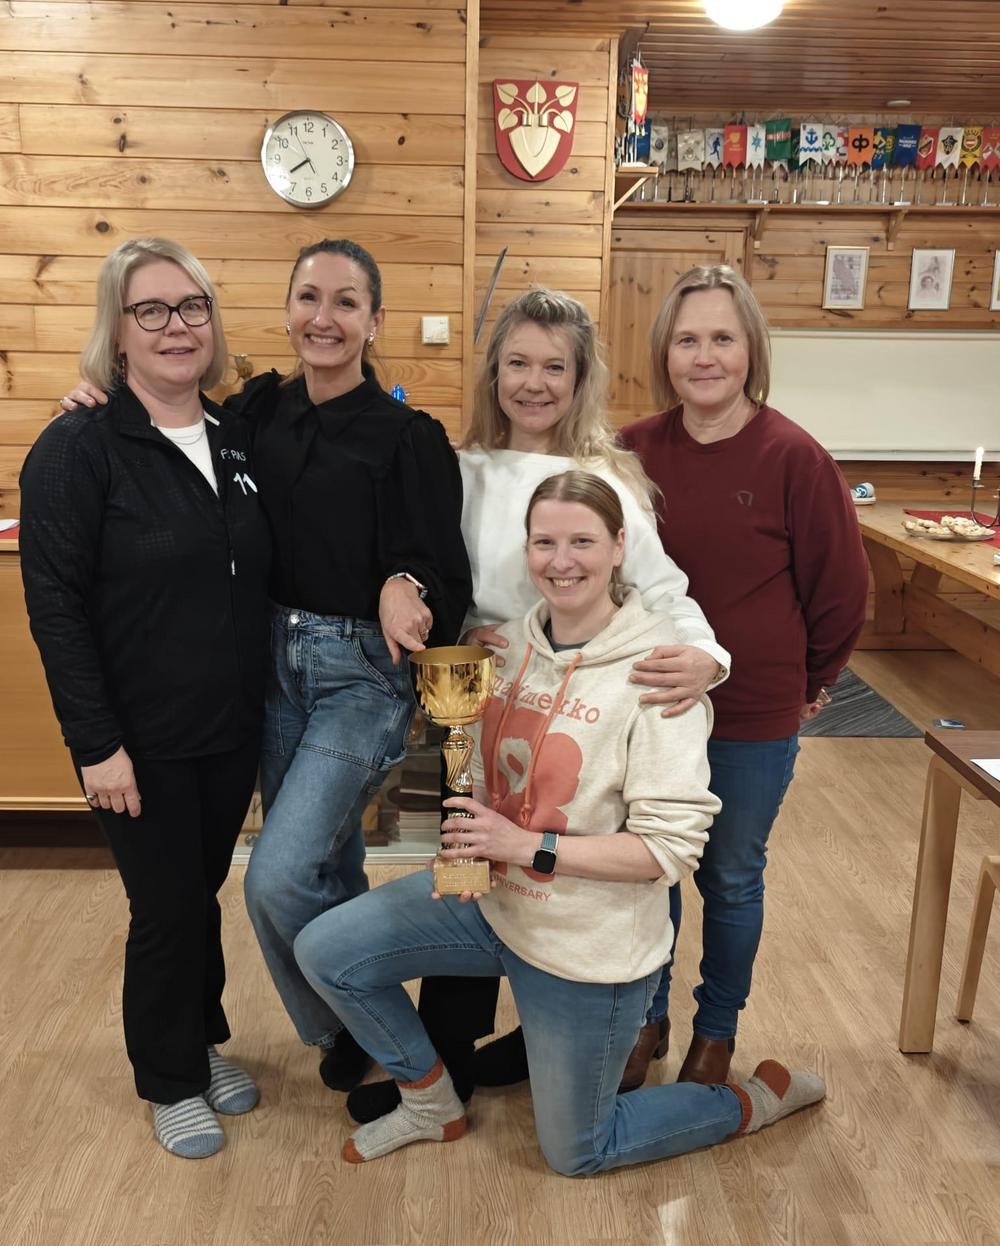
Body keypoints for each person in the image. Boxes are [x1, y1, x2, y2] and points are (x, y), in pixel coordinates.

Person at [292, 472, 826, 1174]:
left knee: (577, 1151)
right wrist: (468, 837)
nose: (561, 560)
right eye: (544, 542)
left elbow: (668, 851)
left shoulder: (661, 675)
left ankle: (755, 1099)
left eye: (583, 541)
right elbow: (476, 763)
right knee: (325, 949)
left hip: (587, 943)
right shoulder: (506, 650)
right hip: (494, 905)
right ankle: (430, 1102)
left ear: (619, 547)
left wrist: (525, 845)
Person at [57, 239, 472, 1098]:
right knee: (327, 864)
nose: (325, 318)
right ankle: (351, 1032)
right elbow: (164, 433)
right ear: (286, 311)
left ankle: (367, 1026)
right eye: (309, 297)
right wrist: (97, 399)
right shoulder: (251, 416)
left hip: (357, 673)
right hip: (268, 667)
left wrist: (406, 582)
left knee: (277, 876)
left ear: (375, 321)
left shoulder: (409, 437)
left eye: (346, 302)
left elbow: (440, 566)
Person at [346, 287, 731, 1124]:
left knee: (574, 874)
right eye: (517, 363)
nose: (534, 382)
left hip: (583, 709)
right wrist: (457, 627)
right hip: (478, 697)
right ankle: (448, 1057)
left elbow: (663, 589)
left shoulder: (609, 480)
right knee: (470, 864)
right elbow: (429, 569)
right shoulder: (460, 469)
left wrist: (709, 655)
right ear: (494, 372)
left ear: (580, 379)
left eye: (555, 367)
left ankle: (577, 1030)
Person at [21, 237, 272, 1158]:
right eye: (152, 310)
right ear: (117, 330)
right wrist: (95, 744)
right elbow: (55, 608)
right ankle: (167, 1078)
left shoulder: (235, 435)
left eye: (192, 307)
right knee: (164, 906)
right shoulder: (77, 448)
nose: (177, 327)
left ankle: (199, 1041)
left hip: (227, 726)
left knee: (198, 893)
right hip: (136, 737)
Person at [619, 264, 869, 1086]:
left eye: (722, 338)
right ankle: (645, 1016)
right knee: (649, 869)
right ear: (665, 352)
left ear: (751, 349)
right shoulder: (633, 452)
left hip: (752, 714)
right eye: (687, 339)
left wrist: (809, 682)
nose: (705, 356)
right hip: (651, 705)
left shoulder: (795, 457)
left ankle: (715, 1030)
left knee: (729, 876)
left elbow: (843, 592)